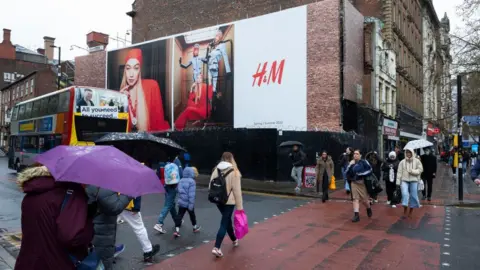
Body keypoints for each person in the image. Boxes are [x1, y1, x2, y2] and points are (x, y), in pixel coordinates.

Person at [15, 165, 95, 270]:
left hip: (28, 263)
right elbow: (72, 238)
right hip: (57, 263)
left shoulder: (30, 193)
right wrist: (89, 225)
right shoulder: (73, 194)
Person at [119, 48, 170, 132]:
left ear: (140, 70)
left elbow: (159, 124)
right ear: (125, 71)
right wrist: (120, 103)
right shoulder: (121, 94)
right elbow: (120, 130)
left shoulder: (152, 86)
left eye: (136, 68)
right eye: (128, 68)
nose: (131, 74)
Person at [85, 186, 132, 270]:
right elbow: (115, 207)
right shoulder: (101, 184)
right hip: (101, 229)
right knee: (103, 261)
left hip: (89, 226)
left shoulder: (85, 181)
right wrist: (129, 192)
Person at [209, 152, 243, 258]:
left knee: (227, 219)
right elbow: (237, 191)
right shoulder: (234, 172)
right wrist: (240, 207)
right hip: (229, 201)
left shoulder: (216, 169)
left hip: (218, 200)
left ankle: (234, 239)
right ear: (232, 158)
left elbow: (210, 185)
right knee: (224, 222)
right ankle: (217, 247)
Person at [116, 195, 160, 263]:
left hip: (113, 202)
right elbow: (136, 189)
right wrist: (136, 207)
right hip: (128, 204)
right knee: (139, 228)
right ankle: (148, 251)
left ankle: (106, 250)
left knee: (108, 228)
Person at [153, 157, 181, 234]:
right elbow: (180, 173)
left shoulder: (165, 163)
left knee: (171, 204)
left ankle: (177, 221)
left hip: (166, 185)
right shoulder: (176, 162)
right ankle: (159, 223)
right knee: (168, 205)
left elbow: (159, 174)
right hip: (173, 186)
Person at [345, 149, 373, 222]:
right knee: (355, 199)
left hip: (362, 183)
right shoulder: (352, 162)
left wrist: (360, 174)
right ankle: (356, 215)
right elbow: (346, 173)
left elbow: (370, 170)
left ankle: (368, 208)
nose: (355, 155)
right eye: (354, 153)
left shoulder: (364, 162)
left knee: (364, 200)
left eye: (357, 154)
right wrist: (350, 165)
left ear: (360, 155)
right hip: (354, 183)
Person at [174, 167, 201, 237]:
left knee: (179, 216)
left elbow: (177, 190)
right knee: (192, 215)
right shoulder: (192, 181)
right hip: (189, 202)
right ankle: (195, 227)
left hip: (181, 202)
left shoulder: (181, 180)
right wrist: (191, 204)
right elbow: (191, 195)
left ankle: (177, 230)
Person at [396, 148, 423, 219]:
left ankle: (410, 211)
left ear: (412, 153)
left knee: (413, 196)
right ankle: (405, 209)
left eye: (410, 152)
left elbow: (420, 170)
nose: (408, 154)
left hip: (414, 180)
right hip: (404, 180)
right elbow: (399, 172)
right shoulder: (402, 162)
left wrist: (412, 171)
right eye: (407, 152)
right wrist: (398, 182)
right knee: (404, 194)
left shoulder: (417, 161)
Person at [204, 30, 231, 97]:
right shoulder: (212, 47)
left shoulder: (222, 45)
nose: (216, 37)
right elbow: (207, 58)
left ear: (220, 37)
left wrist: (228, 71)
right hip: (209, 67)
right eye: (216, 36)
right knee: (210, 86)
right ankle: (210, 101)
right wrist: (207, 49)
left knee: (214, 87)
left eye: (218, 36)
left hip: (215, 67)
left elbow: (225, 57)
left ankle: (215, 99)